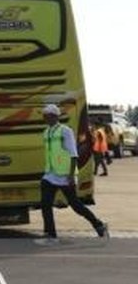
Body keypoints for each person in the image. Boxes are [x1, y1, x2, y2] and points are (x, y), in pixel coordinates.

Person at [39, 103, 108, 242]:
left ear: (55, 116)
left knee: (76, 205)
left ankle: (98, 224)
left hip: (65, 175)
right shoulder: (46, 132)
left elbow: (73, 154)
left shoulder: (65, 131)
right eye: (44, 116)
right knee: (45, 204)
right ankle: (50, 234)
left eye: (47, 116)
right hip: (50, 174)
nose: (45, 118)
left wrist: (71, 175)